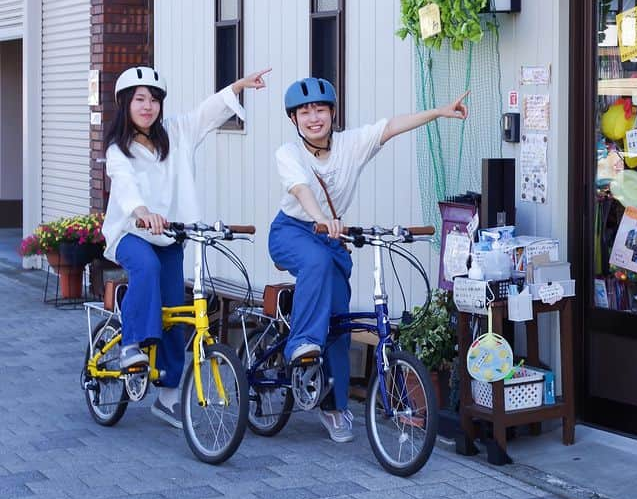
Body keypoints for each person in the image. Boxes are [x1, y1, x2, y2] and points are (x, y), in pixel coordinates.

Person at [269, 77, 467, 443]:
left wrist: (439, 112)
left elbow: (391, 126)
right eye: (305, 112)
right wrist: (321, 219)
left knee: (340, 324)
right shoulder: (288, 154)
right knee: (314, 263)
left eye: (320, 109)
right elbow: (300, 191)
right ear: (294, 119)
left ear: (331, 113)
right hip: (293, 231)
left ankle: (335, 407)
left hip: (333, 239)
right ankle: (301, 343)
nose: (313, 117)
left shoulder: (350, 145)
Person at [102, 65, 270, 428]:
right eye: (140, 99)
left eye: (154, 100)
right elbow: (125, 182)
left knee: (177, 311)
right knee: (145, 268)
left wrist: (238, 85)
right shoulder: (119, 149)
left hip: (172, 235)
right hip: (131, 233)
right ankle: (131, 345)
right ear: (125, 104)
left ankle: (168, 394)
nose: (148, 107)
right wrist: (142, 211)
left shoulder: (176, 133)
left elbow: (208, 112)